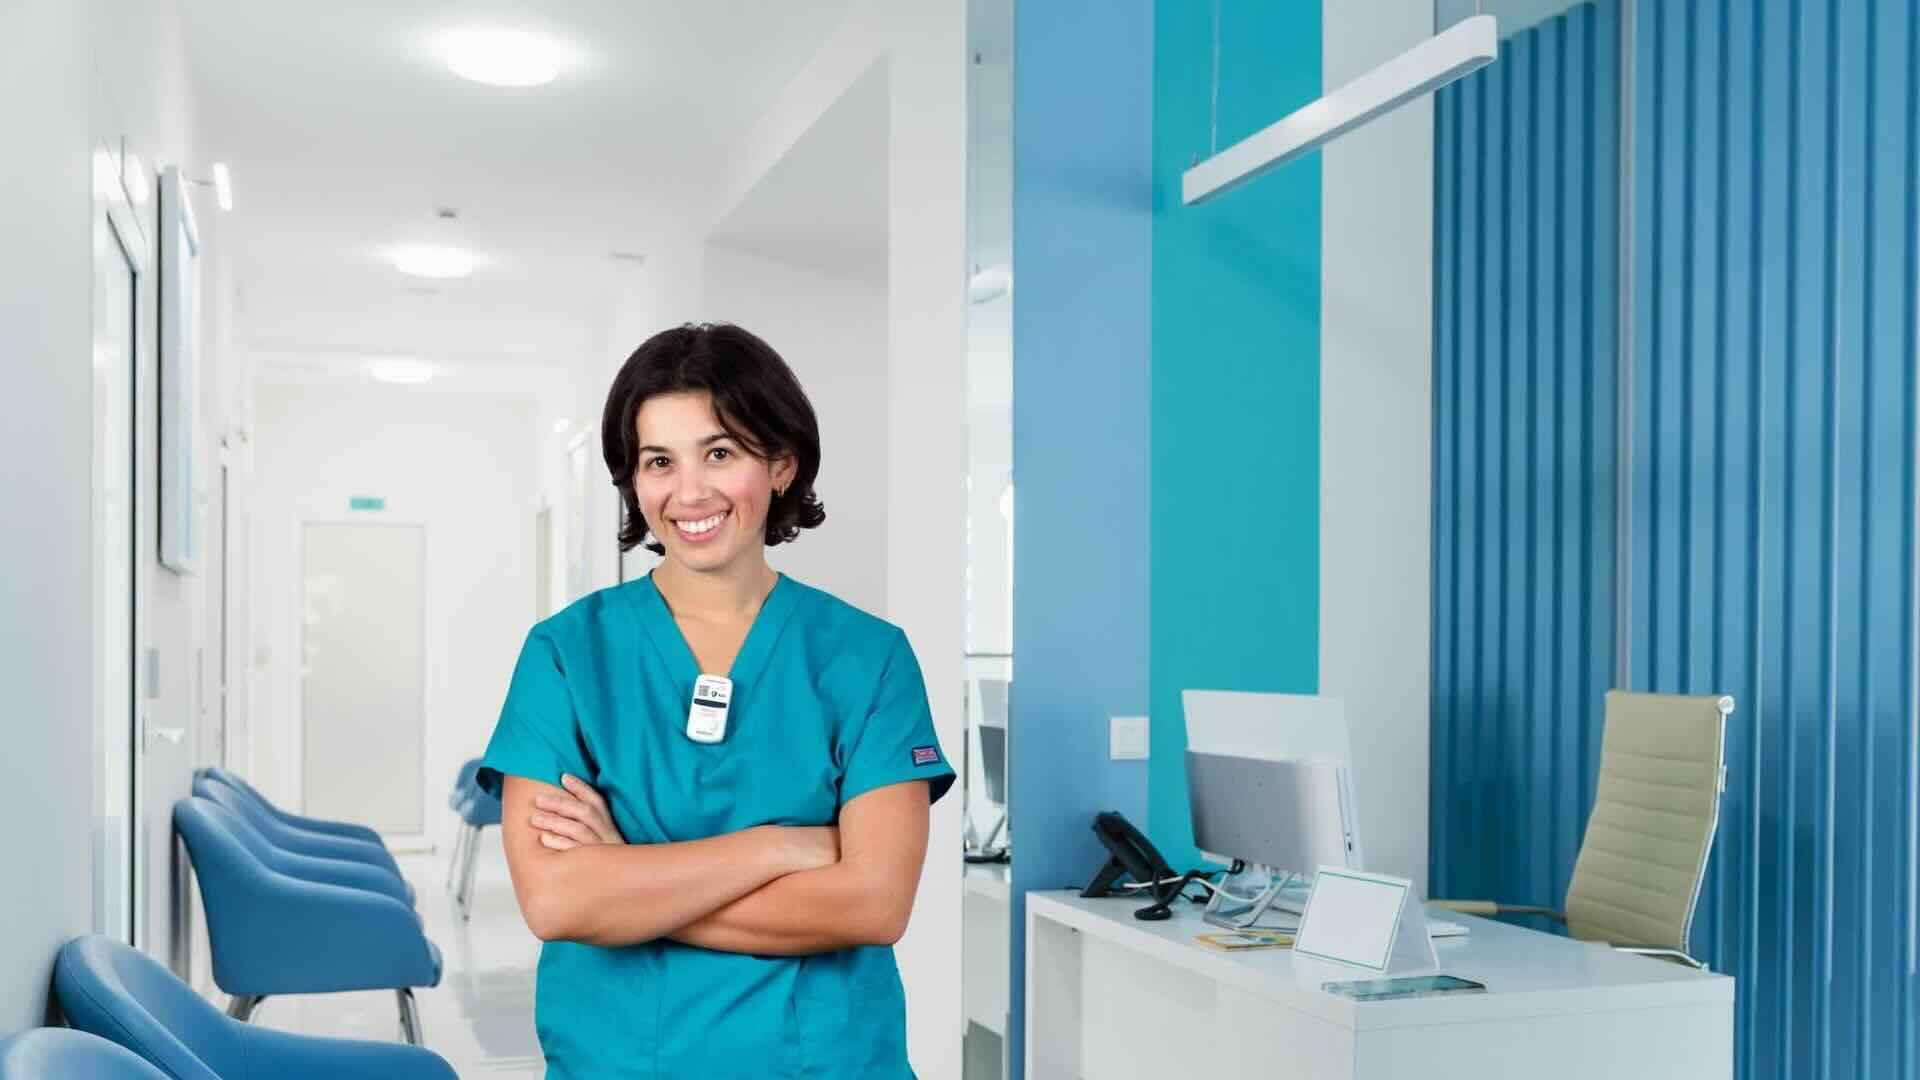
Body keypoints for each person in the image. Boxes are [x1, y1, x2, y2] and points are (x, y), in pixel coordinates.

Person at [476, 323, 955, 1078]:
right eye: (659, 461)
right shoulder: (566, 655)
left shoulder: (867, 658)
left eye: (720, 453)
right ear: (633, 479)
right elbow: (558, 902)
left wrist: (631, 880)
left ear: (783, 465)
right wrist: (779, 848)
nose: (689, 492)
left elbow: (873, 903)